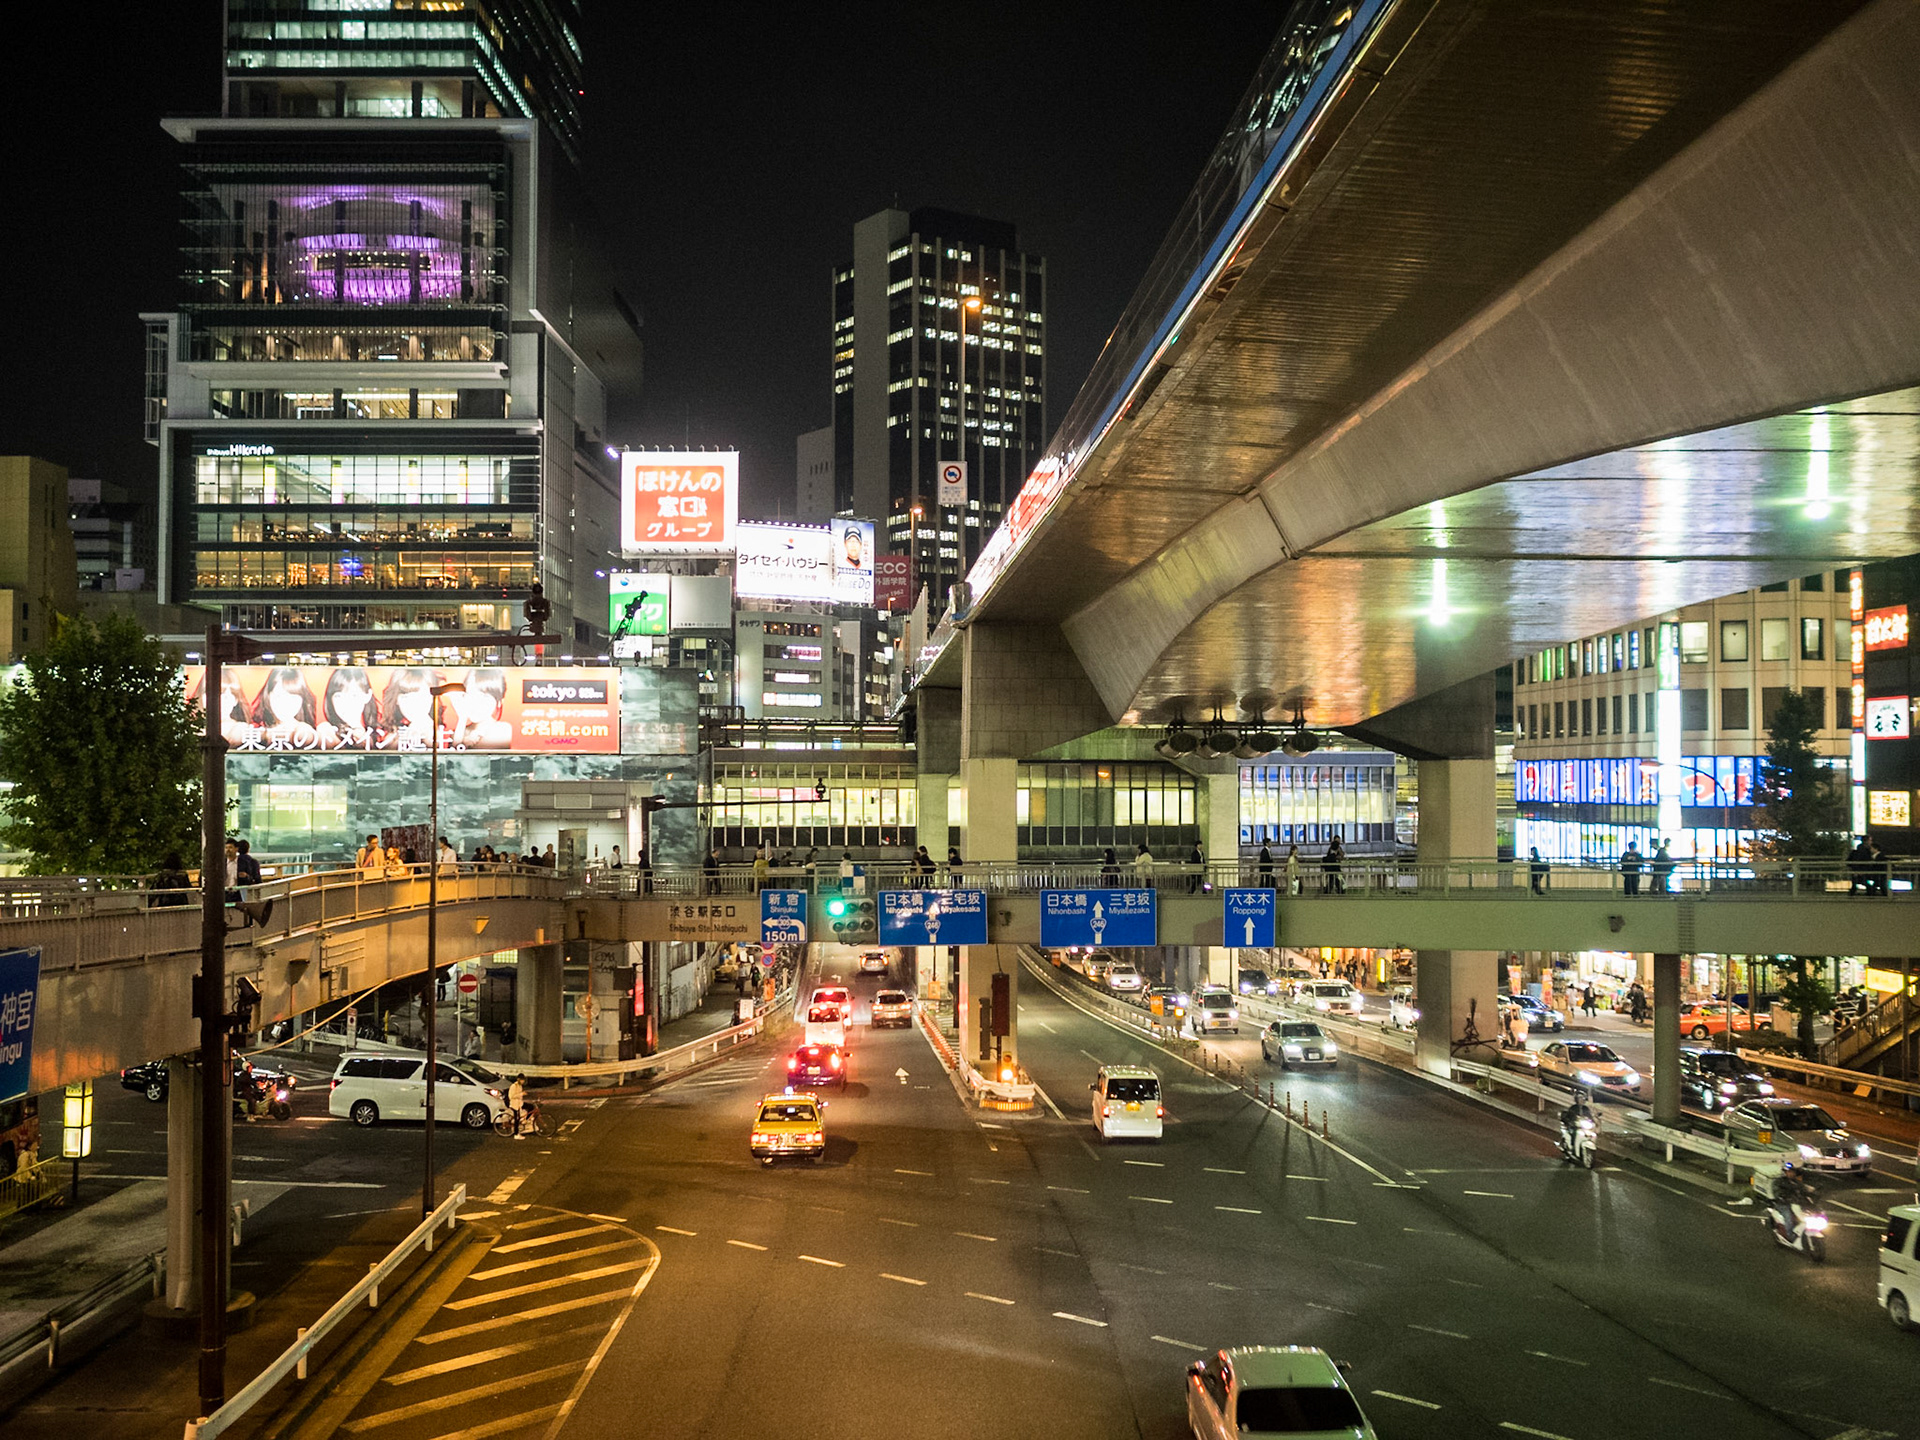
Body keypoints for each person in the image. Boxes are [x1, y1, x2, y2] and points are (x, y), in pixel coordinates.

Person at [506, 1073, 528, 1139]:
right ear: (518, 1079)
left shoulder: (520, 1086)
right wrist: (521, 1094)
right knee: (516, 1119)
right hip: (514, 1104)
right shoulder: (514, 1086)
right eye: (522, 1080)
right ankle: (516, 1134)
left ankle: (523, 1122)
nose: (523, 1081)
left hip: (519, 1104)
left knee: (529, 1107)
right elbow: (511, 1096)